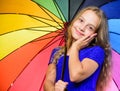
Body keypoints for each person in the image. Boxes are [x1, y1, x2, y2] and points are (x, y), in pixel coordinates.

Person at [43, 6, 111, 91]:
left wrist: (75, 47)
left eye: (90, 27)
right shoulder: (57, 52)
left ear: (95, 34)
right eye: (81, 20)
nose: (82, 28)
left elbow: (75, 75)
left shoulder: (96, 51)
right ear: (74, 20)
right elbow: (48, 82)